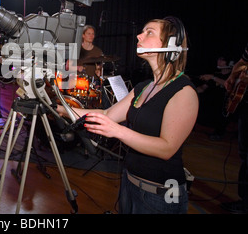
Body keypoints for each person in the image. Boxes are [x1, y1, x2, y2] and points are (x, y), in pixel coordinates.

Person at [58, 16, 199, 214]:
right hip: (129, 183)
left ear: (171, 45)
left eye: (149, 32)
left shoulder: (183, 91)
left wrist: (117, 131)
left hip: (161, 194)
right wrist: (62, 108)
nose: (139, 36)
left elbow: (167, 148)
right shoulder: (143, 87)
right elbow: (107, 113)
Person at [221, 42, 248, 214]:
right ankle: (243, 200)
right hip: (245, 105)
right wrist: (232, 77)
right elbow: (242, 62)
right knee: (244, 153)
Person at [195, 56, 233, 140]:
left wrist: (212, 77)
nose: (218, 61)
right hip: (212, 102)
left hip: (225, 104)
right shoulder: (216, 74)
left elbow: (228, 85)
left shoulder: (232, 75)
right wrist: (191, 90)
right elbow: (203, 88)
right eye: (218, 59)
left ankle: (219, 133)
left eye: (221, 60)